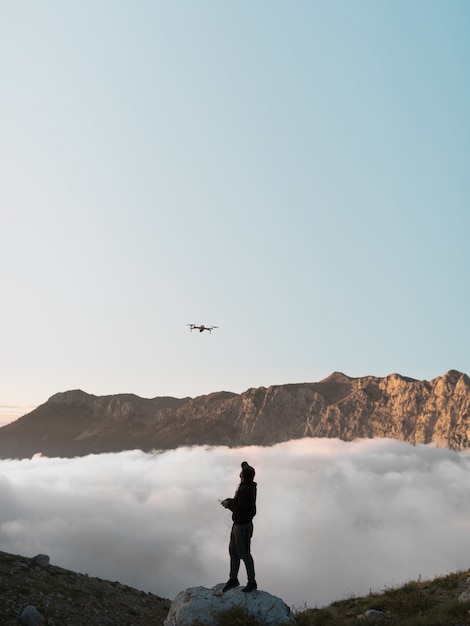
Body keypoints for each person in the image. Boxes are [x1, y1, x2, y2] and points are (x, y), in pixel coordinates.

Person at [220, 461, 257, 593]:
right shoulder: (246, 487)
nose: (240, 473)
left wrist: (227, 504)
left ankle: (252, 582)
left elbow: (239, 509)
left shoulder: (245, 490)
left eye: (241, 473)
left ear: (243, 476)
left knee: (244, 554)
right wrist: (229, 500)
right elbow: (239, 503)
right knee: (234, 552)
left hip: (242, 527)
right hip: (238, 525)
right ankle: (233, 578)